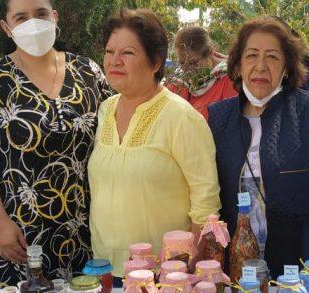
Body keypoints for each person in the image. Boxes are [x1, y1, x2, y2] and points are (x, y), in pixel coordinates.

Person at [0, 0, 113, 285]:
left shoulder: (88, 71)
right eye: (21, 17)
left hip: (86, 227)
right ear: (7, 28)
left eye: (41, 14)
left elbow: (113, 137)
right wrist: (0, 224)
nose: (33, 22)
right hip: (21, 235)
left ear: (54, 17)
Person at [207, 17, 309, 276]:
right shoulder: (217, 118)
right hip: (239, 258)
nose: (260, 66)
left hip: (301, 254)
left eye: (272, 57)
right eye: (251, 56)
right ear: (237, 66)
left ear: (286, 68)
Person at [90, 9, 221, 279]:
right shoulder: (104, 110)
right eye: (109, 51)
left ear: (156, 62)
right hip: (105, 271)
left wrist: (183, 271)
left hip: (164, 278)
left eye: (127, 53)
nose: (115, 61)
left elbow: (205, 204)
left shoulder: (181, 117)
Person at [166, 26, 238, 119]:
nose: (186, 70)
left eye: (193, 63)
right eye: (182, 62)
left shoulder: (231, 81)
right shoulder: (178, 83)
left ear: (210, 52)